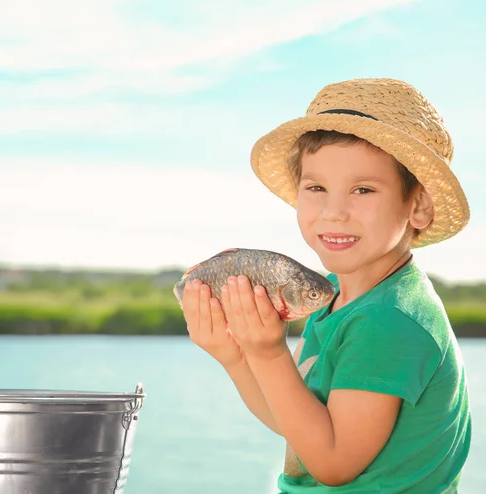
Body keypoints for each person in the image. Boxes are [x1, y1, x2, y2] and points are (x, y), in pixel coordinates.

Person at [180, 78, 472, 492]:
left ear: (419, 206)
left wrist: (268, 353)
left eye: (363, 189)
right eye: (316, 188)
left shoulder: (390, 320)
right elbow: (296, 425)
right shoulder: (333, 294)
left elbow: (333, 464)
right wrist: (236, 355)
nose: (334, 212)